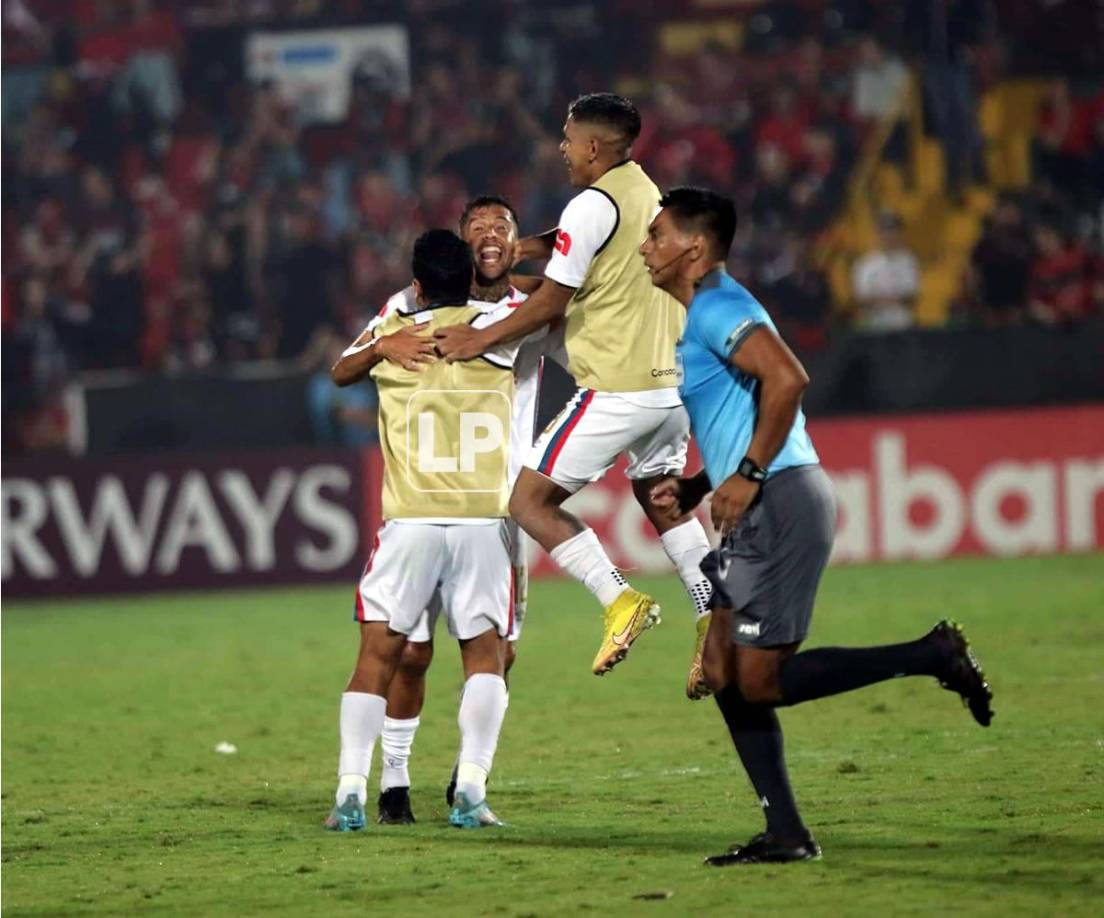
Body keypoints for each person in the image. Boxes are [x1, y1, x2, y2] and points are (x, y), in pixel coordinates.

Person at [640, 186, 993, 865]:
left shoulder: (721, 305)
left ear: (694, 246)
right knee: (720, 670)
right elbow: (744, 410)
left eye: (656, 234)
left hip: (782, 502)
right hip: (763, 498)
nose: (645, 246)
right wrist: (698, 483)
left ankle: (930, 655)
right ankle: (784, 832)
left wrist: (745, 473)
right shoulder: (705, 313)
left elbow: (789, 378)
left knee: (761, 681)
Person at [435, 93, 716, 693]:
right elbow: (581, 240)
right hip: (670, 387)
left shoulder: (591, 203)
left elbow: (549, 303)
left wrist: (474, 337)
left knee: (529, 503)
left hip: (616, 387)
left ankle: (618, 601)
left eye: (567, 138)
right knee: (664, 501)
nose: (561, 148)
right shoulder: (644, 192)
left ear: (592, 146)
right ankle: (711, 608)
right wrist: (527, 247)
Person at [340, 195, 563, 825]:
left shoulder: (529, 309)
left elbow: (573, 289)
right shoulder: (404, 310)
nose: (491, 236)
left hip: (500, 504)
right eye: (478, 229)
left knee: (499, 652)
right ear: (464, 250)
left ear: (517, 240)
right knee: (410, 654)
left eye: (503, 228)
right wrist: (383, 348)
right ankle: (395, 784)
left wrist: (534, 259)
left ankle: (467, 779)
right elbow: (350, 362)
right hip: (433, 503)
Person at [851, 212, 919, 332]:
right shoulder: (866, 264)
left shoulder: (909, 261)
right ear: (878, 233)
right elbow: (861, 301)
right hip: (874, 328)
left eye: (894, 230)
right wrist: (895, 299)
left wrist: (877, 300)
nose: (889, 235)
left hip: (902, 327)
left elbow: (910, 299)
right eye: (885, 231)